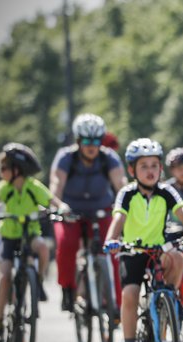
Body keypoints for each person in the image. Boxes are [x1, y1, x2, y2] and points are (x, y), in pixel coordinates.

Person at [104, 138, 183, 342]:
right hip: (132, 251)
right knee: (130, 295)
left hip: (158, 249)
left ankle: (170, 299)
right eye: (144, 166)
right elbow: (118, 218)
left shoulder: (166, 191)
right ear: (132, 170)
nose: (150, 171)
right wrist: (112, 239)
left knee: (179, 256)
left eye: (154, 165)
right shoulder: (127, 194)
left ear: (160, 168)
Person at [0, 143, 69, 342]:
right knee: (5, 276)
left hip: (29, 233)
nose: (1, 172)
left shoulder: (33, 186)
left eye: (4, 168)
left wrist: (63, 207)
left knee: (42, 247)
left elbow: (52, 200)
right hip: (9, 235)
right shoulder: (4, 187)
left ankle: (37, 282)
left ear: (16, 169)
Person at [50, 113, 127, 312]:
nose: (91, 145)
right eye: (86, 140)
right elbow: (56, 185)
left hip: (102, 210)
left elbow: (121, 184)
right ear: (78, 140)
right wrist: (58, 206)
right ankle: (68, 288)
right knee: (67, 244)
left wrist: (127, 206)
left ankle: (117, 305)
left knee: (112, 251)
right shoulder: (66, 157)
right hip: (71, 212)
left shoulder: (108, 157)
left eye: (96, 140)